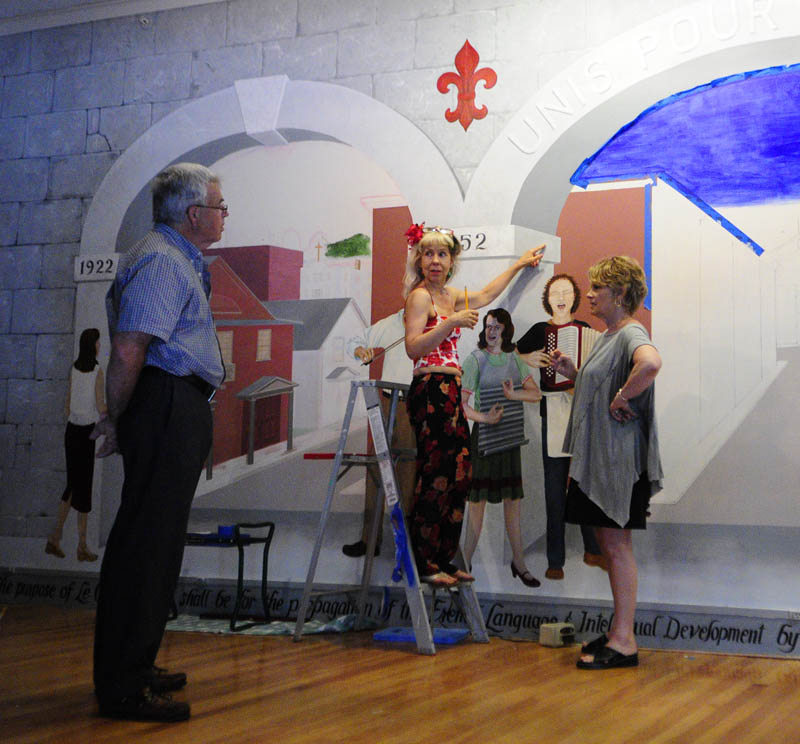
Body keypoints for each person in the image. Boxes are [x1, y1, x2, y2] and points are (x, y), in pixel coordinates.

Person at [90, 163, 226, 721]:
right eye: (220, 206)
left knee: (157, 545)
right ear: (194, 214)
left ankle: (136, 664)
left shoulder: (175, 257)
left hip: (175, 405)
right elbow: (128, 349)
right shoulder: (164, 260)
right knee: (145, 547)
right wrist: (114, 417)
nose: (223, 215)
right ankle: (122, 685)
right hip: (165, 404)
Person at [403, 222, 544, 587]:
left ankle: (443, 556)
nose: (435, 261)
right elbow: (413, 347)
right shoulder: (421, 297)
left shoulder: (449, 295)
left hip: (450, 387)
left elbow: (484, 294)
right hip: (431, 385)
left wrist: (517, 266)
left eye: (442, 254)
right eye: (429, 253)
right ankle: (424, 560)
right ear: (418, 260)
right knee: (436, 471)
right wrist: (449, 322)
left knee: (459, 473)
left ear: (451, 261)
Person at [551, 256, 663, 670]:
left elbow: (650, 364)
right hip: (601, 462)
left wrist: (623, 397)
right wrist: (576, 372)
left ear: (619, 294)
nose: (591, 294)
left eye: (598, 288)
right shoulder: (608, 335)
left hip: (615, 465)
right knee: (612, 546)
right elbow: (603, 384)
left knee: (616, 547)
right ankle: (620, 632)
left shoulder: (631, 331)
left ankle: (624, 640)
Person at [516, 274, 604, 580]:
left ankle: (593, 549)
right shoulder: (540, 330)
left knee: (584, 484)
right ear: (547, 299)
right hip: (552, 408)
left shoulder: (585, 330)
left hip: (580, 412)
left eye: (567, 291)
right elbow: (512, 353)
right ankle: (556, 560)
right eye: (556, 292)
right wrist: (527, 357)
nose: (562, 297)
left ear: (575, 297)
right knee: (554, 487)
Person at [461, 308, 542, 587]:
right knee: (477, 503)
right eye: (487, 326)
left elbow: (535, 394)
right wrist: (485, 417)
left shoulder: (515, 361)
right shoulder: (475, 361)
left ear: (506, 330)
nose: (491, 331)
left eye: (496, 326)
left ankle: (519, 563)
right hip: (484, 439)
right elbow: (461, 406)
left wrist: (512, 394)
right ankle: (464, 562)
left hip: (508, 439)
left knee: (513, 503)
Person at [342, 309, 415, 558]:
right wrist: (360, 351)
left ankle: (405, 545)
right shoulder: (393, 321)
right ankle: (369, 540)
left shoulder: (432, 322)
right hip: (387, 401)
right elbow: (356, 341)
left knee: (408, 474)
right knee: (375, 469)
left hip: (414, 402)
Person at [45, 327, 107, 562]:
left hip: (71, 432)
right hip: (86, 434)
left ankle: (59, 538)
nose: (100, 345)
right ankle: (75, 544)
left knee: (73, 486)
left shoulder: (74, 369)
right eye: (98, 342)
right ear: (92, 345)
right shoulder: (97, 372)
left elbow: (68, 403)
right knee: (82, 488)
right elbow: (101, 406)